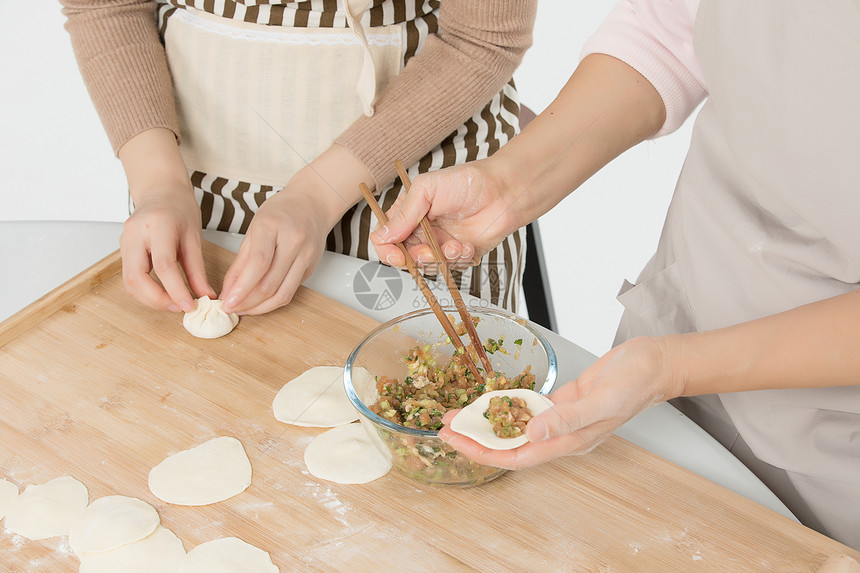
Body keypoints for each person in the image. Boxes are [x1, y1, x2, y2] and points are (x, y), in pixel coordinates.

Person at [371, 0, 860, 550]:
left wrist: (671, 368)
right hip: (681, 327)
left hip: (835, 450)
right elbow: (668, 31)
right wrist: (510, 184)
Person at [58, 0, 537, 316]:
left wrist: (314, 196)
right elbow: (106, 6)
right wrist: (159, 184)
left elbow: (481, 38)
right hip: (194, 185)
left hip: (411, 186)